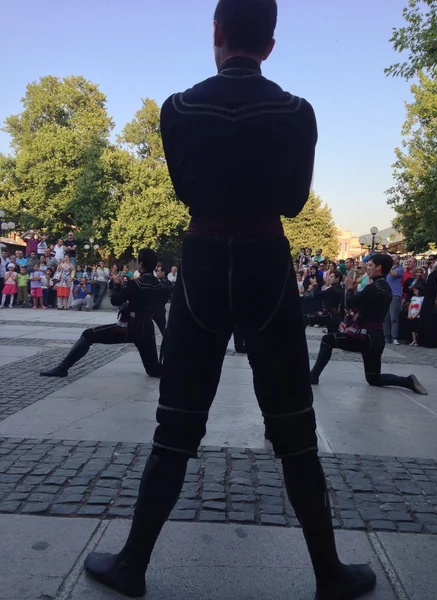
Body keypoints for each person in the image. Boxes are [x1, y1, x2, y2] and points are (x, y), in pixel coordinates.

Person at [83, 3, 377, 599]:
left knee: (178, 419)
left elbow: (185, 190)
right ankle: (328, 573)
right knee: (294, 420)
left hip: (205, 259)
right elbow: (294, 204)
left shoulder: (179, 110)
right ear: (270, 44)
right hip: (267, 258)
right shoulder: (298, 113)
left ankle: (134, 563)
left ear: (215, 32)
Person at [40, 248, 170, 379]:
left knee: (88, 335)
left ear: (140, 264)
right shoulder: (161, 287)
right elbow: (159, 312)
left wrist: (116, 285)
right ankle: (182, 373)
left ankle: (62, 368)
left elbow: (115, 300)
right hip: (147, 329)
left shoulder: (135, 284)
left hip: (129, 327)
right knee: (153, 369)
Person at [309, 254, 427, 396]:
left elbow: (350, 303)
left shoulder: (373, 288)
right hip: (377, 337)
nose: (368, 268)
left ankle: (313, 376)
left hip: (365, 336)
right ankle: (407, 381)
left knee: (327, 340)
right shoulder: (386, 288)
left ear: (379, 267)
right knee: (373, 377)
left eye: (370, 265)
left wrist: (350, 289)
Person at [420, 259, 437, 347]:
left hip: (431, 302)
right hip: (434, 301)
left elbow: (429, 288)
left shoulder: (435, 275)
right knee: (435, 322)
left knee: (431, 322)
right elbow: (432, 288)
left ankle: (429, 341)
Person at [407, 280, 425, 346]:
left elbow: (420, 307)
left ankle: (417, 340)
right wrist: (409, 314)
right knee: (412, 329)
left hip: (417, 316)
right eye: (414, 291)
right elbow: (410, 305)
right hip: (411, 314)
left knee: (417, 329)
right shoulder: (413, 297)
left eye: (416, 291)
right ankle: (414, 340)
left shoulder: (422, 298)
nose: (414, 292)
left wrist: (416, 314)